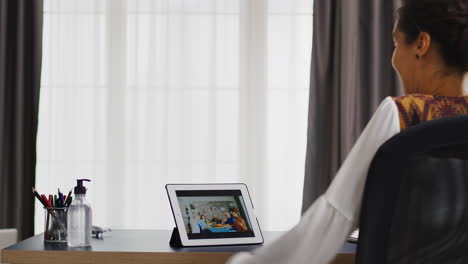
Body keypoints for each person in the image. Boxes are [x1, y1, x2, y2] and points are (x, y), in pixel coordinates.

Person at [227, 0, 468, 263]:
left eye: (397, 44)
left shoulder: (401, 113)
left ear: (421, 44)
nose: (394, 59)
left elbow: (335, 216)